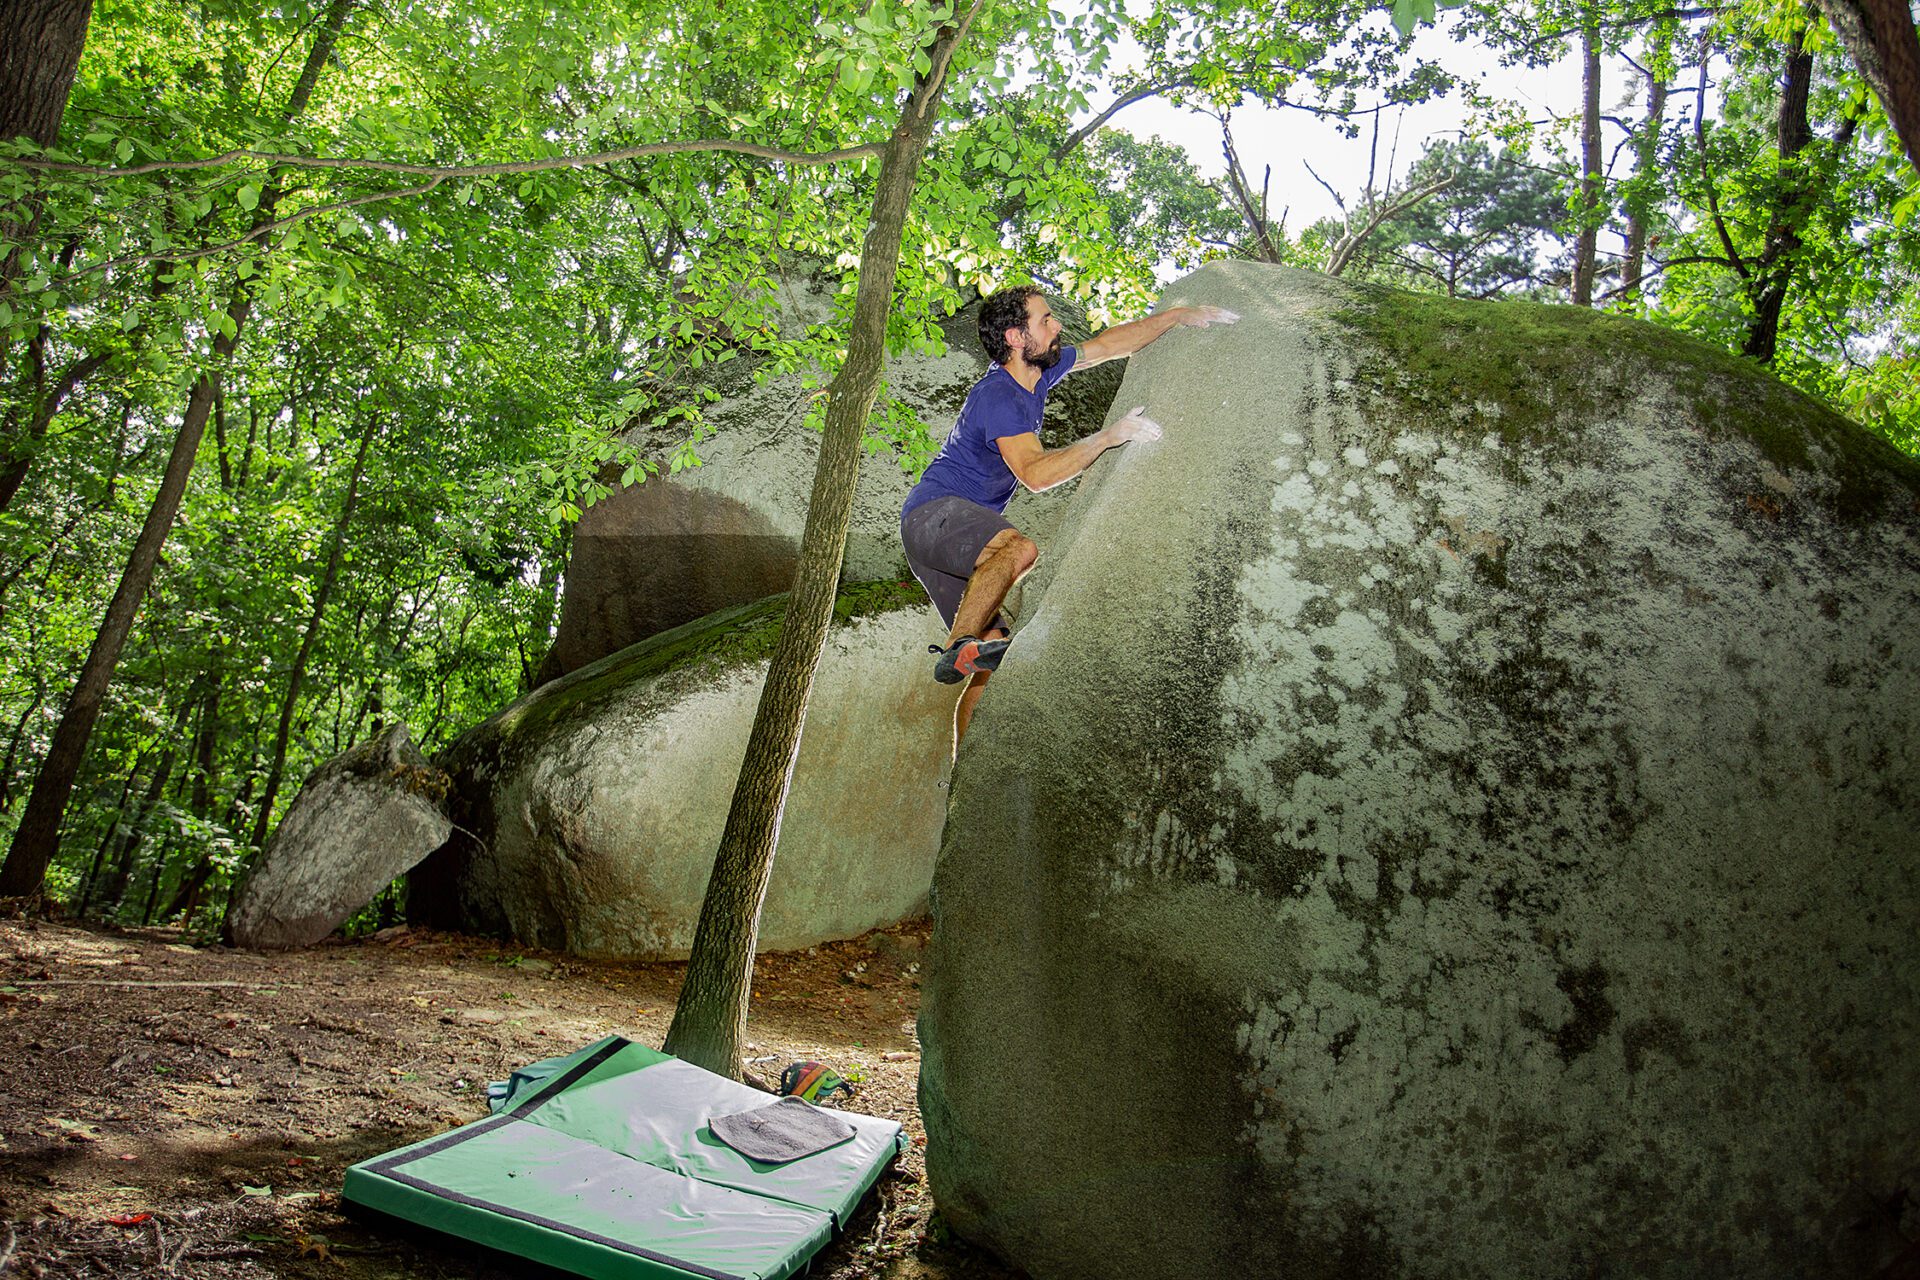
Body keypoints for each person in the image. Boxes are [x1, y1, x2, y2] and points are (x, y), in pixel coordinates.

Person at [899, 285, 1239, 748]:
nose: (1056, 325)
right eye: (1044, 321)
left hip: (943, 542)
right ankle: (961, 645)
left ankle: (960, 768)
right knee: (1019, 549)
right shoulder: (998, 395)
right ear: (1017, 338)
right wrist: (1107, 438)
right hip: (933, 514)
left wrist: (1176, 316)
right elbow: (1036, 474)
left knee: (991, 668)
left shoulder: (1041, 370)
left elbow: (1107, 346)